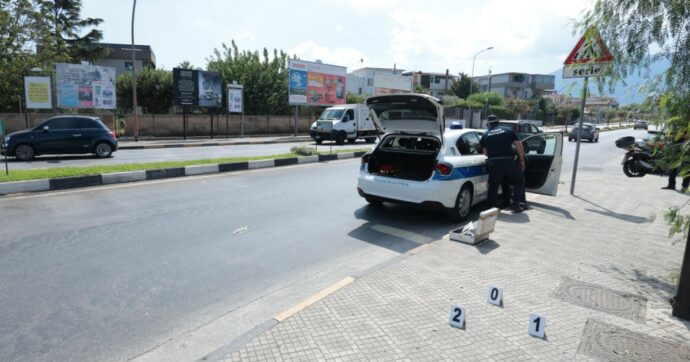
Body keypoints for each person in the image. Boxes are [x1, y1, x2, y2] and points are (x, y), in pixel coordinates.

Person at [480, 115, 526, 213]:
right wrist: (521, 160)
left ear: (488, 123)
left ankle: (492, 207)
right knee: (518, 181)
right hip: (509, 161)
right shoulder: (508, 130)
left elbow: (485, 153)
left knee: (493, 185)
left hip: (494, 163)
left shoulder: (485, 134)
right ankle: (515, 204)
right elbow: (519, 146)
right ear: (498, 122)